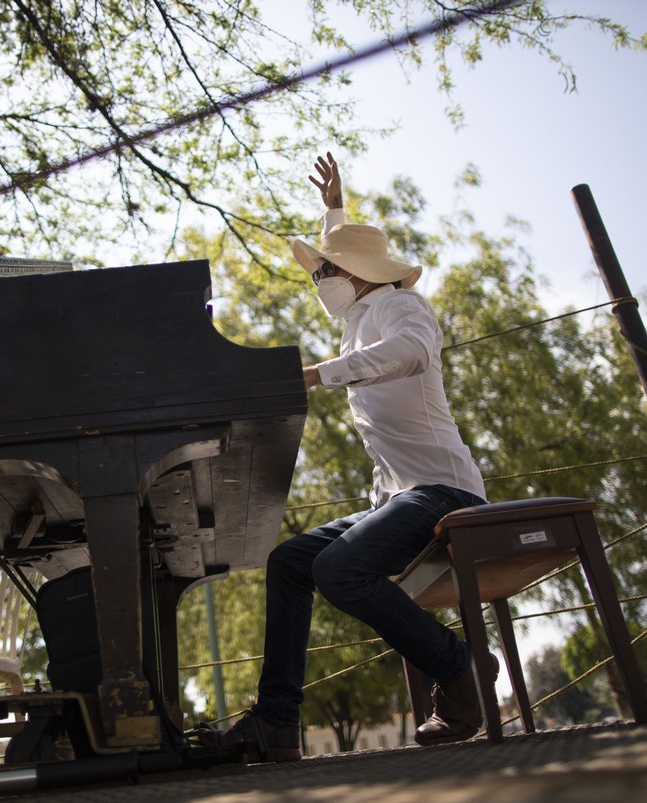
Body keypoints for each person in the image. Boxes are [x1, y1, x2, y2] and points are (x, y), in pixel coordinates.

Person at [207, 153, 494, 761]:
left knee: (340, 570)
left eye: (324, 272)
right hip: (396, 498)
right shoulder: (360, 316)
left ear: (354, 273)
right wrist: (332, 212)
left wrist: (314, 375)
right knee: (291, 561)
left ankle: (461, 667)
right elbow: (351, 279)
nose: (318, 282)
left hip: (442, 489)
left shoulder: (400, 308)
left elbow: (408, 352)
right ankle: (277, 723)